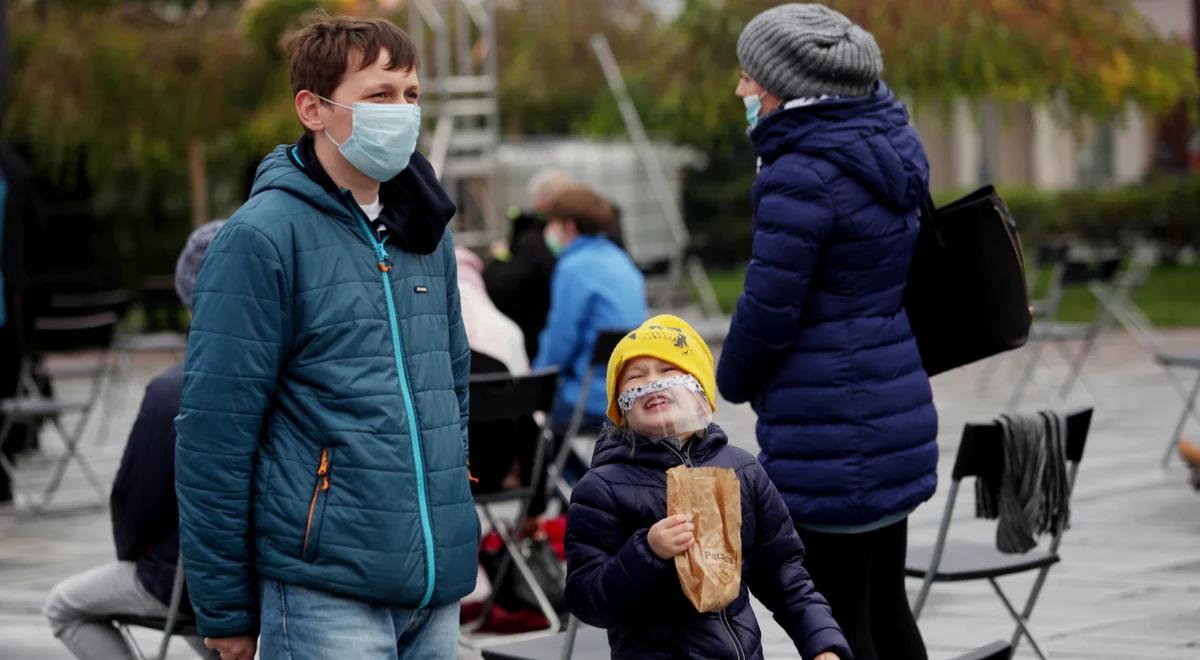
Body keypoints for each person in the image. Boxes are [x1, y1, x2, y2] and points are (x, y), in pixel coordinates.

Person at [174, 15, 477, 660]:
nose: (401, 112)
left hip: (433, 585)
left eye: (411, 95)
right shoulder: (260, 239)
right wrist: (225, 608)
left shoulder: (427, 229)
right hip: (322, 590)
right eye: (378, 95)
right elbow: (214, 436)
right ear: (312, 108)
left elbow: (453, 388)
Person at [716, 5, 938, 659]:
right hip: (891, 412)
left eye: (750, 77)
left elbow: (771, 307)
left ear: (786, 85)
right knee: (887, 606)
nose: (740, 90)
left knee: (838, 623)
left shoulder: (799, 171)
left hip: (829, 430)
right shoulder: (886, 144)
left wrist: (730, 378)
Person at [564, 314, 850, 660]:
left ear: (698, 389)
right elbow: (587, 600)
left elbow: (782, 570)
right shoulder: (601, 489)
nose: (652, 383)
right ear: (620, 409)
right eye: (635, 377)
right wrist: (647, 551)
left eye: (668, 371)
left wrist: (821, 643)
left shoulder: (742, 470)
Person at [43, 221, 224, 660]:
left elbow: (133, 504)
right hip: (271, 580)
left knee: (63, 607)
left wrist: (137, 556)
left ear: (189, 302)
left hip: (190, 581)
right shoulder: (292, 379)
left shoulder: (173, 391)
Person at [532, 183, 646, 439]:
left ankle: (570, 479)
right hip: (630, 394)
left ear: (569, 226)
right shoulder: (621, 259)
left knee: (524, 419)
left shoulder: (572, 268)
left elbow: (559, 343)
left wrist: (534, 381)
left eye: (552, 224)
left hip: (589, 400)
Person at [483, 168, 572, 359]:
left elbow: (499, 291)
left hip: (536, 352)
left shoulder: (534, 245)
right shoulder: (602, 245)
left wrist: (499, 259)